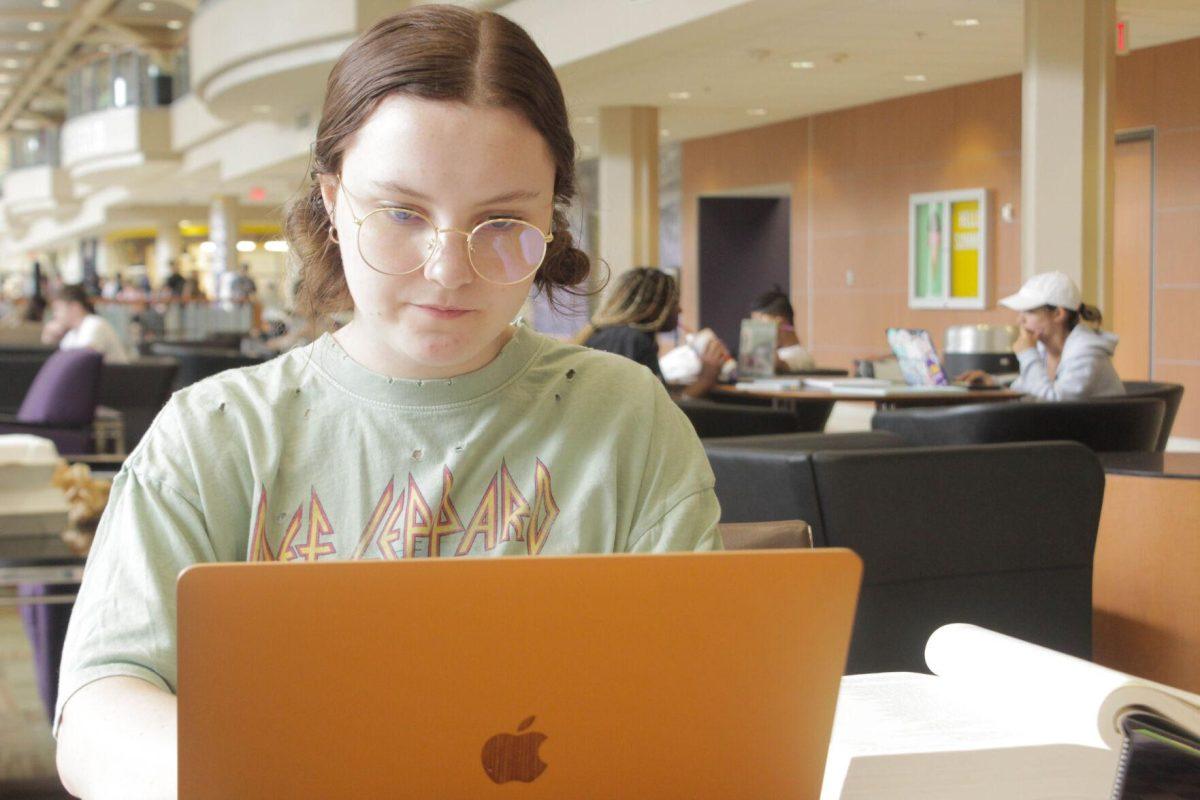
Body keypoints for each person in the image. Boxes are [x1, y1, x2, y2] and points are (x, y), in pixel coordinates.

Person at [54, 7, 721, 797]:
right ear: (334, 203)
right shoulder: (215, 435)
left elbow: (691, 687)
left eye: (502, 220)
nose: (448, 270)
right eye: (403, 213)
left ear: (552, 217)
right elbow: (102, 703)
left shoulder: (624, 417)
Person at [957, 271, 1124, 400]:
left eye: (1029, 312)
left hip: (1092, 442)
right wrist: (994, 384)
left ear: (1058, 314)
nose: (1020, 320)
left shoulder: (1086, 353)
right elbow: (1030, 389)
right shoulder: (1044, 349)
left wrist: (1027, 354)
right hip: (1065, 437)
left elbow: (1053, 404)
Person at [574, 266, 731, 399]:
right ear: (653, 307)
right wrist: (706, 378)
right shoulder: (635, 341)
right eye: (675, 303)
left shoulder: (604, 334)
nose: (680, 310)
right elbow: (661, 414)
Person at [40, 283, 130, 364]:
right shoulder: (72, 334)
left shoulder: (94, 324)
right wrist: (49, 339)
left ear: (75, 307)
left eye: (58, 309)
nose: (55, 315)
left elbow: (82, 360)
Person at [750, 285, 815, 372]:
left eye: (761, 325)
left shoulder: (800, 356)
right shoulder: (783, 354)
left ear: (781, 322)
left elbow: (777, 364)